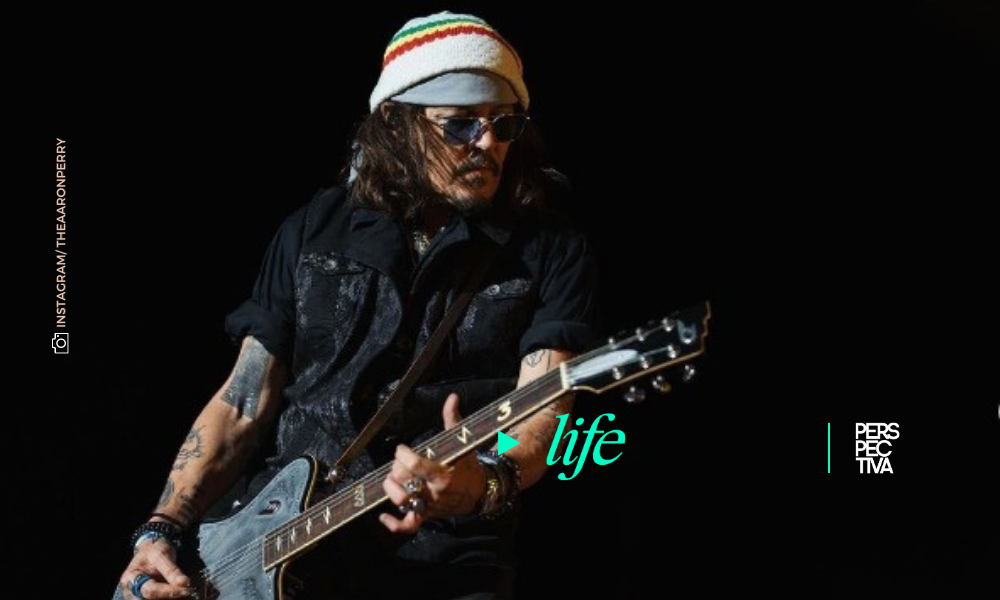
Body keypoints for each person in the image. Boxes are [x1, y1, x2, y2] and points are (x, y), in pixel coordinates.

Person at [116, 10, 600, 600]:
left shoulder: (551, 250)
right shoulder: (312, 228)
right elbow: (242, 403)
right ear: (396, 123)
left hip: (441, 562)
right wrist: (162, 528)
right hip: (273, 545)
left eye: (504, 124)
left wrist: (481, 482)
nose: (488, 144)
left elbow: (541, 414)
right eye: (459, 125)